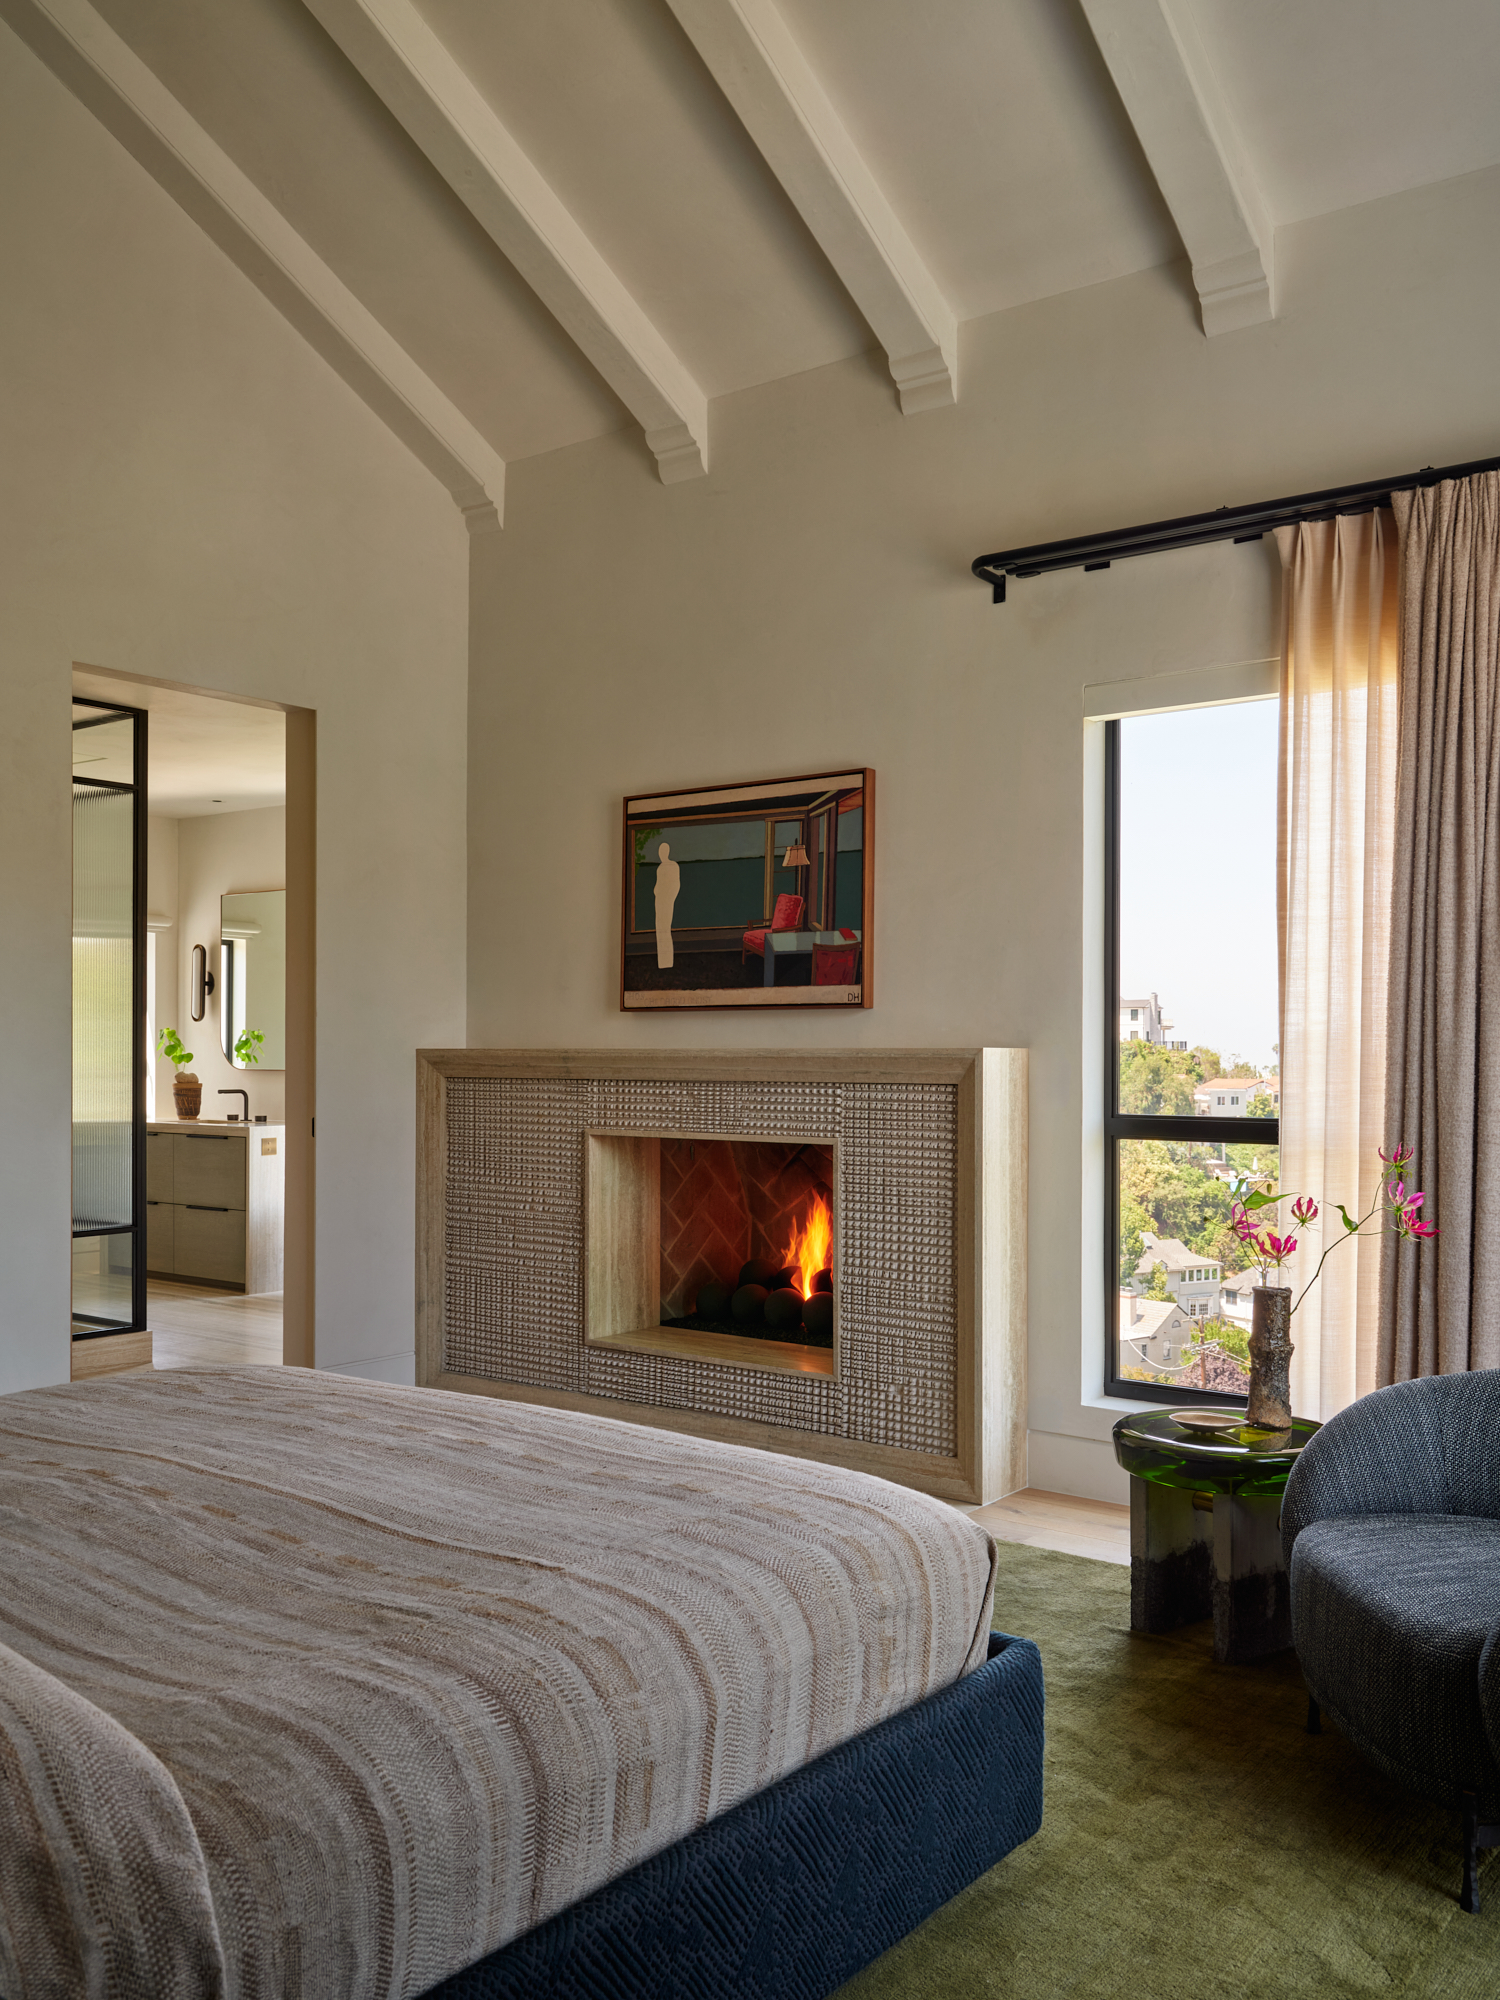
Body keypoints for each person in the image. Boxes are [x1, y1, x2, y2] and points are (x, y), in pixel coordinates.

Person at [654, 841, 680, 969]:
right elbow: (659, 885)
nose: (661, 854)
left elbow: (675, 885)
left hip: (666, 901)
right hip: (659, 901)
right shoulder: (660, 867)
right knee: (660, 930)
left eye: (663, 851)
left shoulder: (673, 866)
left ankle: (668, 961)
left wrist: (669, 898)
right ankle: (663, 962)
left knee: (665, 928)